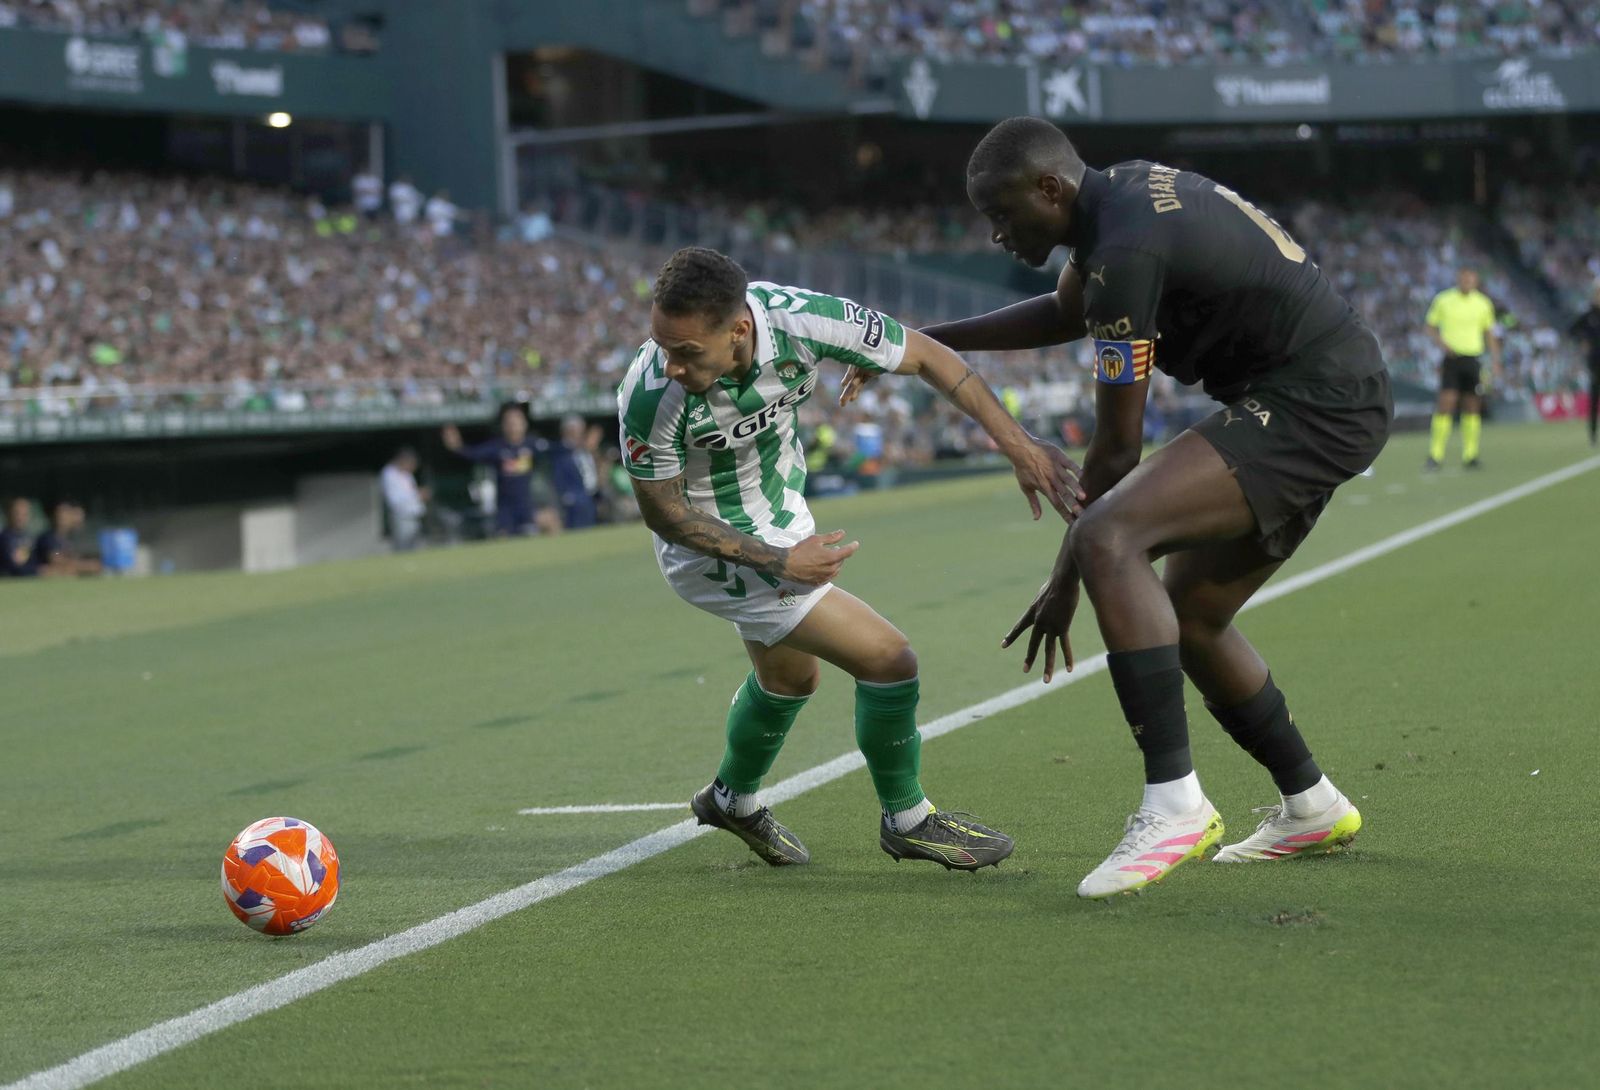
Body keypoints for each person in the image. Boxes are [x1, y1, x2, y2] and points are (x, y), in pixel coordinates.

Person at [867, 118, 1388, 897]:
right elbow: (1062, 313)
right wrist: (921, 345)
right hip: (1324, 392)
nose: (998, 234)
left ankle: (1174, 802)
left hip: (1312, 403)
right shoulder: (1119, 200)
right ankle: (1312, 804)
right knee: (1193, 616)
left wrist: (1068, 578)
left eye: (1004, 215)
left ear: (1050, 188)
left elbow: (1113, 453)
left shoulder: (1125, 249)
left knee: (1111, 534)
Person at [620, 246, 1081, 870]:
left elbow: (927, 355)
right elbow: (665, 514)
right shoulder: (650, 394)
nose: (670, 365)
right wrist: (780, 561)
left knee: (790, 678)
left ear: (739, 331)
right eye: (665, 348)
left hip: (782, 514)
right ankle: (908, 819)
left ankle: (731, 800)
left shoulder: (803, 320)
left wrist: (1019, 447)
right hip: (712, 546)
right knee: (890, 658)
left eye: (687, 353)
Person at [443, 404, 559, 537]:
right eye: (509, 422)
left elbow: (557, 448)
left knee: (550, 522)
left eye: (517, 421)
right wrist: (457, 446)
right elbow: (473, 453)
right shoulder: (497, 448)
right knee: (503, 540)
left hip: (527, 505)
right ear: (504, 425)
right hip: (506, 509)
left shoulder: (532, 444)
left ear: (524, 424)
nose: (513, 425)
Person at [1424, 267, 1500, 470]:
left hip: (1473, 358)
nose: (1467, 280)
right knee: (1445, 404)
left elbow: (1489, 333)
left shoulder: (1483, 303)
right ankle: (1435, 455)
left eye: (1471, 277)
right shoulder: (1444, 300)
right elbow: (1430, 326)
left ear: (1476, 280)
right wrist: (1442, 343)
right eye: (1464, 277)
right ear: (1458, 278)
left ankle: (1470, 455)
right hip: (1452, 358)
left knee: (1472, 406)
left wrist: (1495, 360)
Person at [552, 415, 600, 530]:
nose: (578, 435)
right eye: (574, 431)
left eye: (580, 431)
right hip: (573, 501)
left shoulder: (585, 451)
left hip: (589, 498)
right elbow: (557, 478)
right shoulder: (560, 452)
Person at [31, 499, 102, 576]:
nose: (63, 517)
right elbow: (56, 559)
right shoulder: (47, 538)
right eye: (60, 513)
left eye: (66, 514)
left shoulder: (69, 538)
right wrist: (87, 566)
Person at [1570, 284, 1600, 447]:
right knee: (1594, 398)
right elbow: (1572, 330)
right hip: (1595, 363)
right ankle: (1593, 435)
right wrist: (1582, 341)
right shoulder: (1589, 316)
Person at [381, 447, 429, 551]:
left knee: (414, 547)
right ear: (404, 460)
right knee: (402, 547)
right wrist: (417, 495)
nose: (412, 467)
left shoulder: (407, 474)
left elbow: (411, 490)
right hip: (401, 516)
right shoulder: (389, 474)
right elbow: (394, 498)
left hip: (413, 514)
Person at [1, 497, 38, 578]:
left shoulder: (29, 538)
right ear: (8, 513)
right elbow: (13, 567)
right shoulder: (4, 539)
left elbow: (34, 562)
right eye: (16, 513)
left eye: (24, 514)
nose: (20, 518)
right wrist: (38, 571)